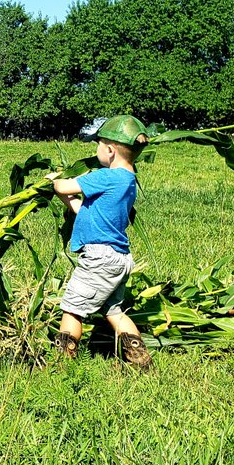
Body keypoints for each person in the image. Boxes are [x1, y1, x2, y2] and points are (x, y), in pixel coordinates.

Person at [51, 115, 153, 371]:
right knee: (114, 312)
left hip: (98, 258)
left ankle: (62, 362)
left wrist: (54, 181)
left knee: (73, 309)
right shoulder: (128, 182)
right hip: (119, 259)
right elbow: (84, 211)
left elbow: (64, 186)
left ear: (109, 150)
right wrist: (69, 199)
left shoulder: (106, 177)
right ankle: (140, 358)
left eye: (97, 144)